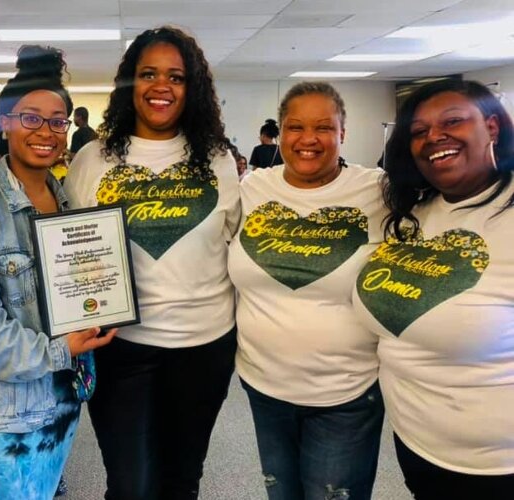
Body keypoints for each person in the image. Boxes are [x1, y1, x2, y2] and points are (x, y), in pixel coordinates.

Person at [64, 26, 240, 499]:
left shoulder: (219, 160)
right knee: (130, 485)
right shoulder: (92, 159)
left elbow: (233, 244)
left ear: (192, 88)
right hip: (121, 346)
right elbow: (73, 249)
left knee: (182, 478)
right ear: (129, 84)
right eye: (148, 74)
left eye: (176, 77)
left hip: (204, 345)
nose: (161, 86)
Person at [0, 44, 116, 500]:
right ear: (5, 123)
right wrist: (63, 348)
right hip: (3, 412)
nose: (47, 132)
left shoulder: (66, 200)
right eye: (30, 118)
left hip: (58, 395)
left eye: (57, 121)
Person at [354, 79, 514, 499]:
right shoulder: (413, 213)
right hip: (416, 446)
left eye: (453, 121)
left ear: (492, 127)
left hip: (497, 466)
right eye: (419, 131)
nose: (434, 138)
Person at [228, 82, 386, 500]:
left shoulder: (379, 191)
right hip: (263, 383)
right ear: (280, 132)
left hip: (346, 392)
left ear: (343, 133)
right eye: (295, 127)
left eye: (324, 127)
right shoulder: (252, 189)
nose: (308, 139)